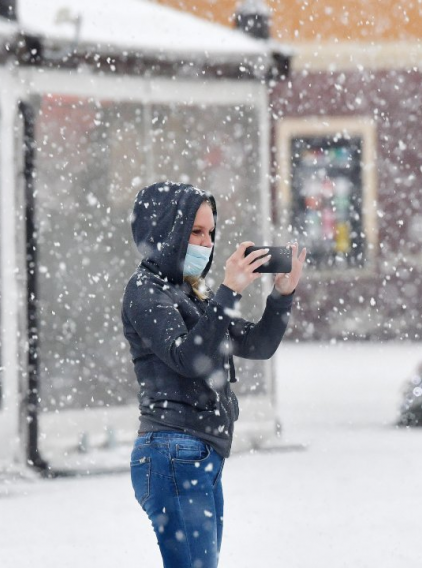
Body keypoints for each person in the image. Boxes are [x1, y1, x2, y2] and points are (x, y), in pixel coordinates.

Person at [121, 181, 306, 567]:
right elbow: (187, 358)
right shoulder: (146, 292)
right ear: (166, 229)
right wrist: (228, 292)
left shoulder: (191, 293)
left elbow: (256, 345)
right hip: (173, 452)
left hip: (199, 454)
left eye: (210, 232)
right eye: (195, 231)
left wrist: (281, 297)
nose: (205, 243)